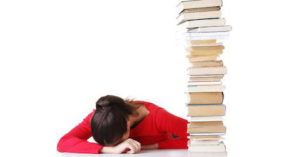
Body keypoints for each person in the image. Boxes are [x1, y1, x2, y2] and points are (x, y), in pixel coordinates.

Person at [57, 95, 188, 154]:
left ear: (126, 124)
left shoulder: (158, 117)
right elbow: (63, 143)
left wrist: (150, 146)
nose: (117, 145)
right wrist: (109, 150)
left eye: (117, 141)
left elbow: (200, 138)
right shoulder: (100, 118)